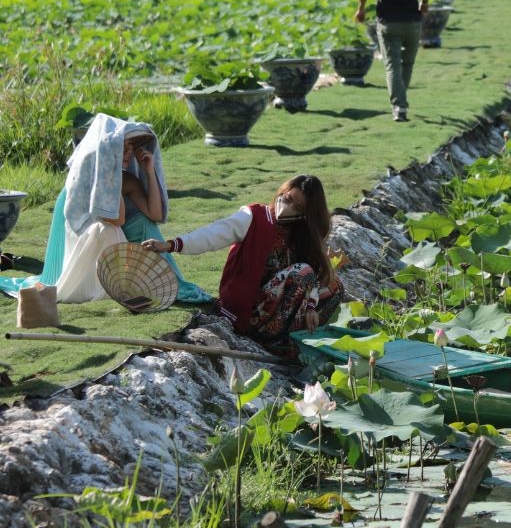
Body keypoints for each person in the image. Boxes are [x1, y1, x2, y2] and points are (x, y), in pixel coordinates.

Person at [1, 113, 210, 304]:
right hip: (82, 236)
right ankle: (111, 285)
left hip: (108, 231)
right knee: (109, 230)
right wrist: (112, 177)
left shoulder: (128, 179)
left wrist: (148, 170)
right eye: (122, 148)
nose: (128, 153)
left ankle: (167, 281)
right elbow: (116, 220)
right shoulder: (90, 177)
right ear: (109, 152)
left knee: (144, 223)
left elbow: (154, 214)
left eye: (130, 147)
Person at [142, 174, 343, 355]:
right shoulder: (254, 217)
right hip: (251, 310)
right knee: (302, 272)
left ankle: (297, 337)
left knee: (335, 286)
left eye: (298, 207)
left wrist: (310, 305)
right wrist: (170, 245)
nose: (288, 206)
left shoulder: (301, 234)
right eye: (288, 198)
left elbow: (317, 274)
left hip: (284, 304)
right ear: (282, 192)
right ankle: (276, 341)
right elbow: (213, 235)